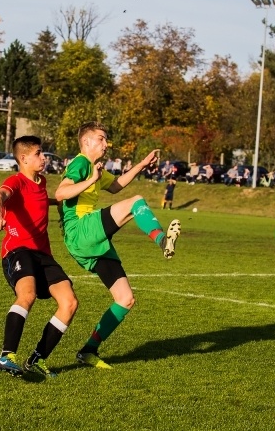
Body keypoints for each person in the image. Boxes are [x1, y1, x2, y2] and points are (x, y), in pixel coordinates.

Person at [55, 122, 181, 369]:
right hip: (80, 230)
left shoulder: (95, 169)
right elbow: (61, 193)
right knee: (136, 202)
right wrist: (91, 177)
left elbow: (115, 186)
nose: (105, 144)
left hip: (91, 241)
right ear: (87, 142)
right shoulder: (81, 163)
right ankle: (162, 240)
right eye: (101, 139)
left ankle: (88, 350)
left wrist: (141, 166)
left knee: (125, 299)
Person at [0, 136, 77, 378]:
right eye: (39, 153)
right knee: (27, 295)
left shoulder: (42, 182)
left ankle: (37, 360)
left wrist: (57, 202)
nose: (43, 157)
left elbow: (37, 201)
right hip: (17, 250)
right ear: (24, 158)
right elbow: (0, 196)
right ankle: (6, 356)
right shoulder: (15, 181)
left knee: (69, 303)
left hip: (43, 254)